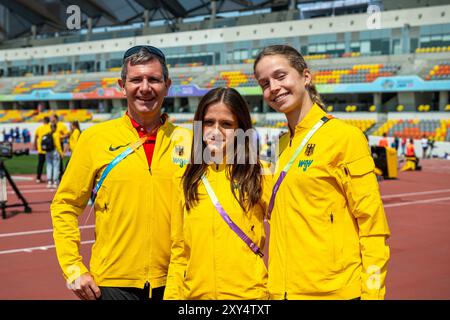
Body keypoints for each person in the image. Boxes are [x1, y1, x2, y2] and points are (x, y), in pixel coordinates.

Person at [51, 45, 192, 300]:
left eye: (154, 79)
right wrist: (73, 268)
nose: (145, 87)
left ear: (167, 84)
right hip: (112, 284)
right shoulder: (94, 138)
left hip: (177, 283)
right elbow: (65, 205)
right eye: (136, 79)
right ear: (122, 85)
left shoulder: (190, 141)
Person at [253, 45, 390, 300]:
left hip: (333, 293)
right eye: (264, 83)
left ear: (306, 76)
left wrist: (372, 293)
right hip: (281, 292)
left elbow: (373, 226)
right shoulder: (280, 146)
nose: (273, 88)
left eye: (280, 76)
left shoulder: (345, 138)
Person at [164, 87, 270, 300]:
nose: (215, 131)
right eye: (209, 122)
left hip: (249, 299)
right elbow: (179, 252)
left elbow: (287, 241)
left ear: (241, 128)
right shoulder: (184, 179)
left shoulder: (260, 174)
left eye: (227, 124)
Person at [50, 114, 69, 180]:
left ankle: (60, 175)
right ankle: (53, 176)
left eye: (51, 117)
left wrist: (60, 137)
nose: (50, 119)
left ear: (55, 118)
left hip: (59, 143)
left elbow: (67, 134)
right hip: (52, 145)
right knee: (52, 161)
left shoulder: (61, 125)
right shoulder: (51, 125)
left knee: (59, 161)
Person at [45, 123, 64, 189]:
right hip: (55, 152)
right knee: (56, 167)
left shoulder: (48, 134)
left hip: (48, 152)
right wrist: (61, 153)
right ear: (55, 128)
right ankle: (55, 181)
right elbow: (58, 145)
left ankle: (49, 181)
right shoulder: (56, 134)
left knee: (49, 166)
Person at [34, 117, 51, 183]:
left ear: (43, 121)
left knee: (40, 164)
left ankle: (38, 178)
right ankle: (51, 179)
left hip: (41, 149)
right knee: (50, 164)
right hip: (49, 149)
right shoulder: (50, 128)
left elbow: (35, 137)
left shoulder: (39, 128)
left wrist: (35, 145)